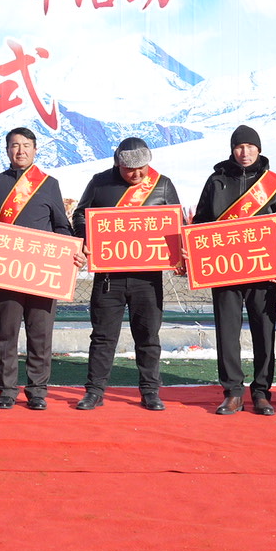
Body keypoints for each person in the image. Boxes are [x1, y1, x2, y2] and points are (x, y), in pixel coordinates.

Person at [71, 137, 181, 411]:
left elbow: (176, 223)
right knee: (102, 337)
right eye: (130, 169)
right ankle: (94, 392)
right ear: (117, 164)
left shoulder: (162, 184)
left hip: (148, 278)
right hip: (109, 277)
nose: (137, 174)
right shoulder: (100, 183)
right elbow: (80, 215)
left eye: (142, 168)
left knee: (148, 336)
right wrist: (87, 238)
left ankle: (150, 391)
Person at [194, 125, 276, 416]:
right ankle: (233, 393)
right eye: (239, 147)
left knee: (264, 331)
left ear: (259, 149)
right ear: (232, 149)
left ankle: (262, 392)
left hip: (263, 270)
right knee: (227, 332)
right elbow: (200, 222)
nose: (245, 152)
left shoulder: (271, 183)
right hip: (224, 269)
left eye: (250, 146)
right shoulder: (216, 180)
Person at [0, 127, 83, 410]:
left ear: (35, 149)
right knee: (5, 334)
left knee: (40, 334)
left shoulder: (49, 184)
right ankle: (6, 390)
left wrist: (71, 250)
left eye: (26, 145)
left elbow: (61, 226)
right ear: (7, 150)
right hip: (6, 272)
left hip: (43, 273)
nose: (21, 151)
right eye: (15, 145)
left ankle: (37, 390)